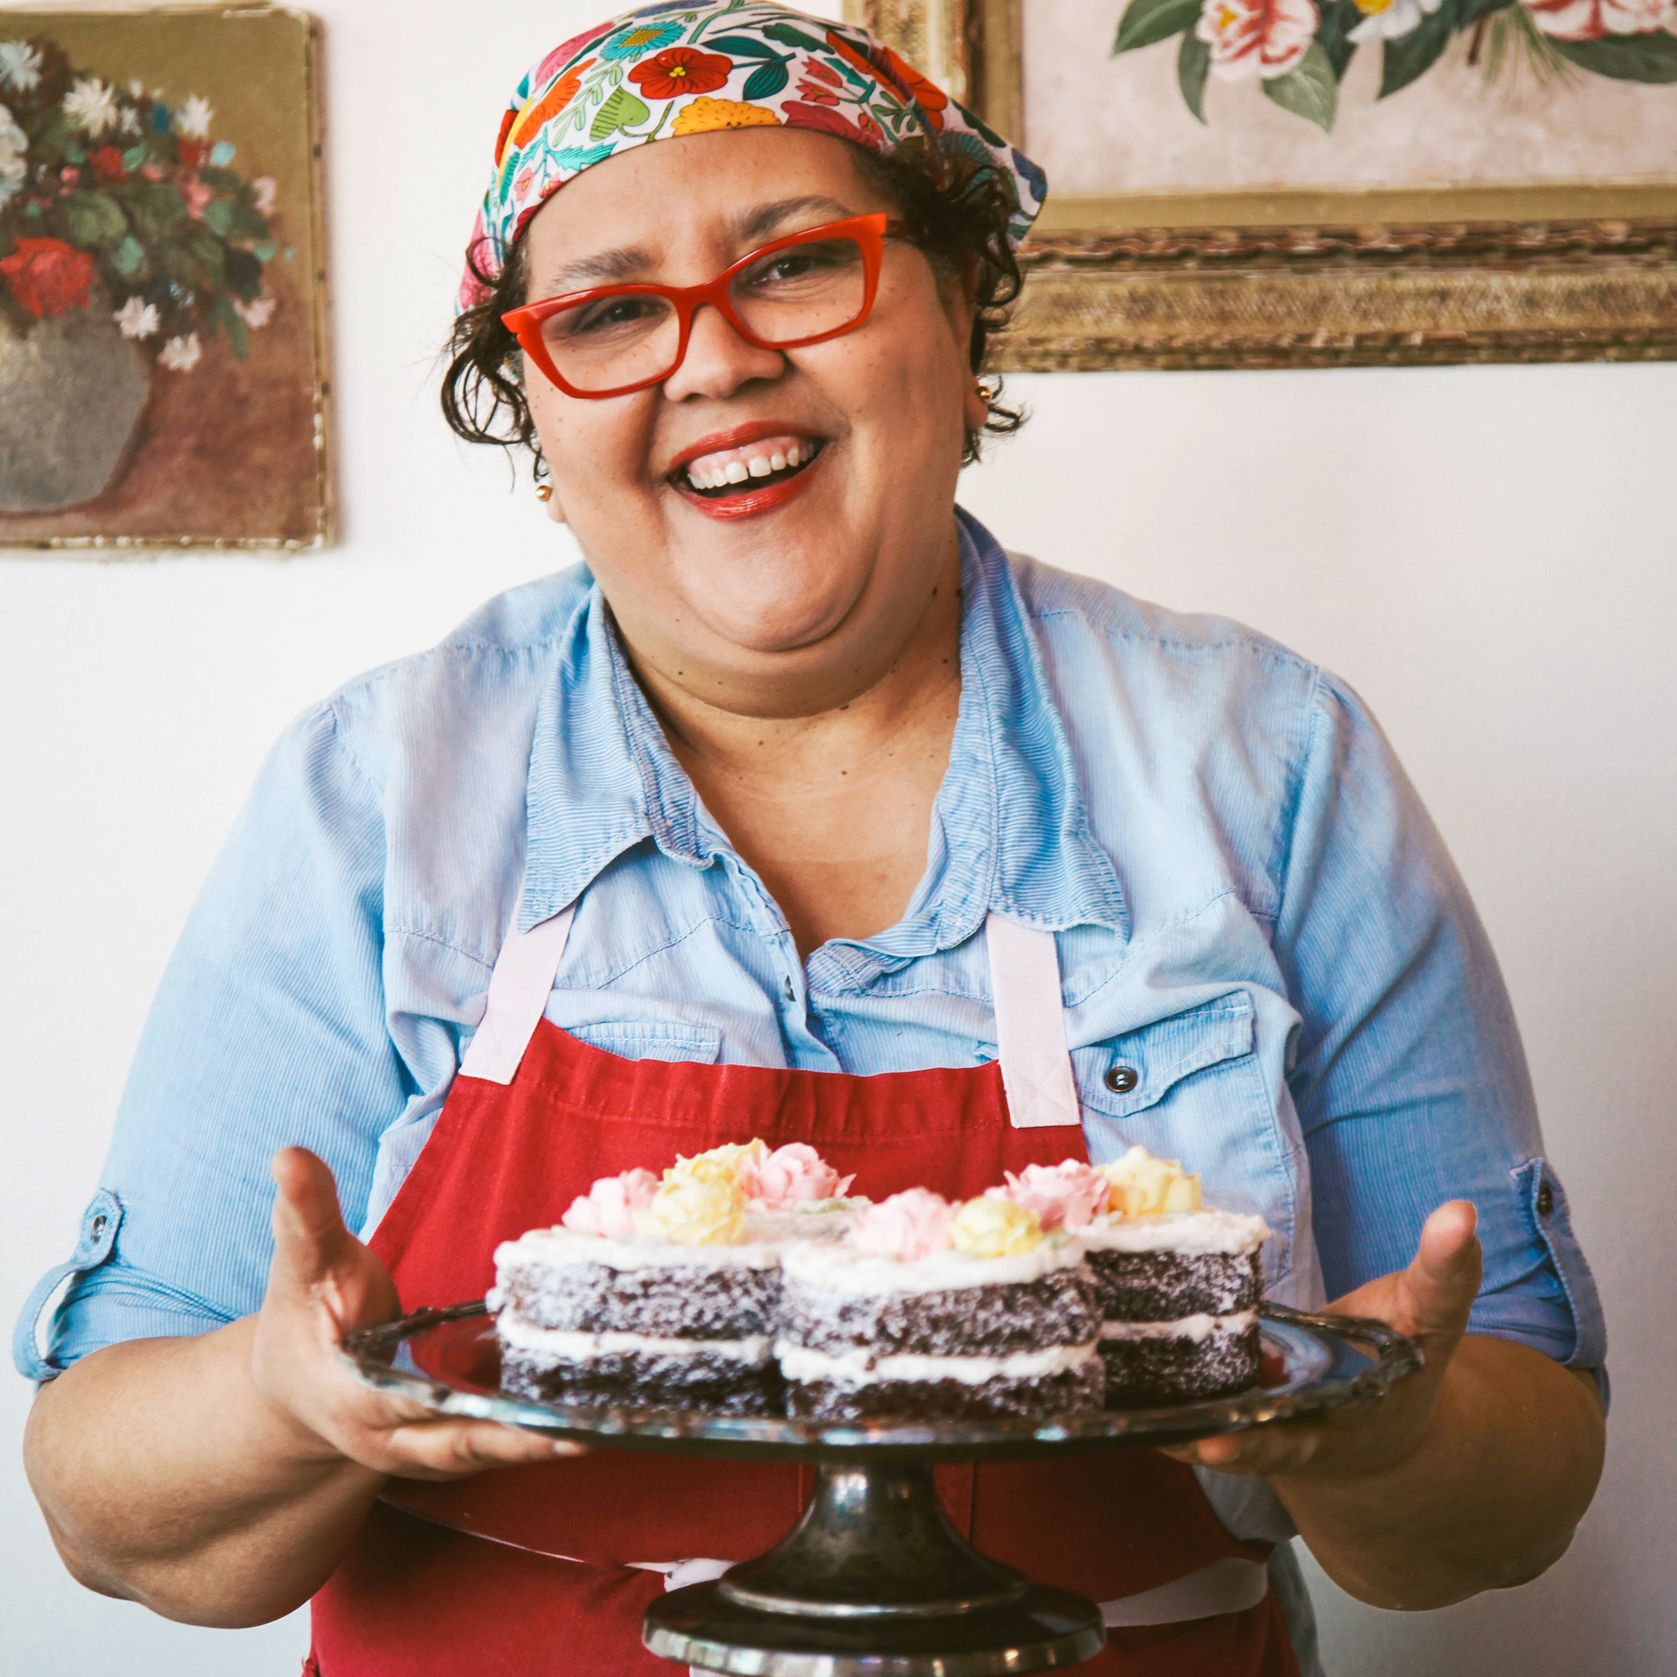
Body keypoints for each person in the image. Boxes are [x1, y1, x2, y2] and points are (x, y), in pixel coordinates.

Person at [16, 5, 1606, 1674]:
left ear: (963, 319)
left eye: (793, 267)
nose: (710, 359)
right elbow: (115, 1516)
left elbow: (1507, 1508)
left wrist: (1383, 1434)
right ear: (537, 426)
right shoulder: (376, 793)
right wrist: (279, 1397)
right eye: (611, 311)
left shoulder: (1269, 763)